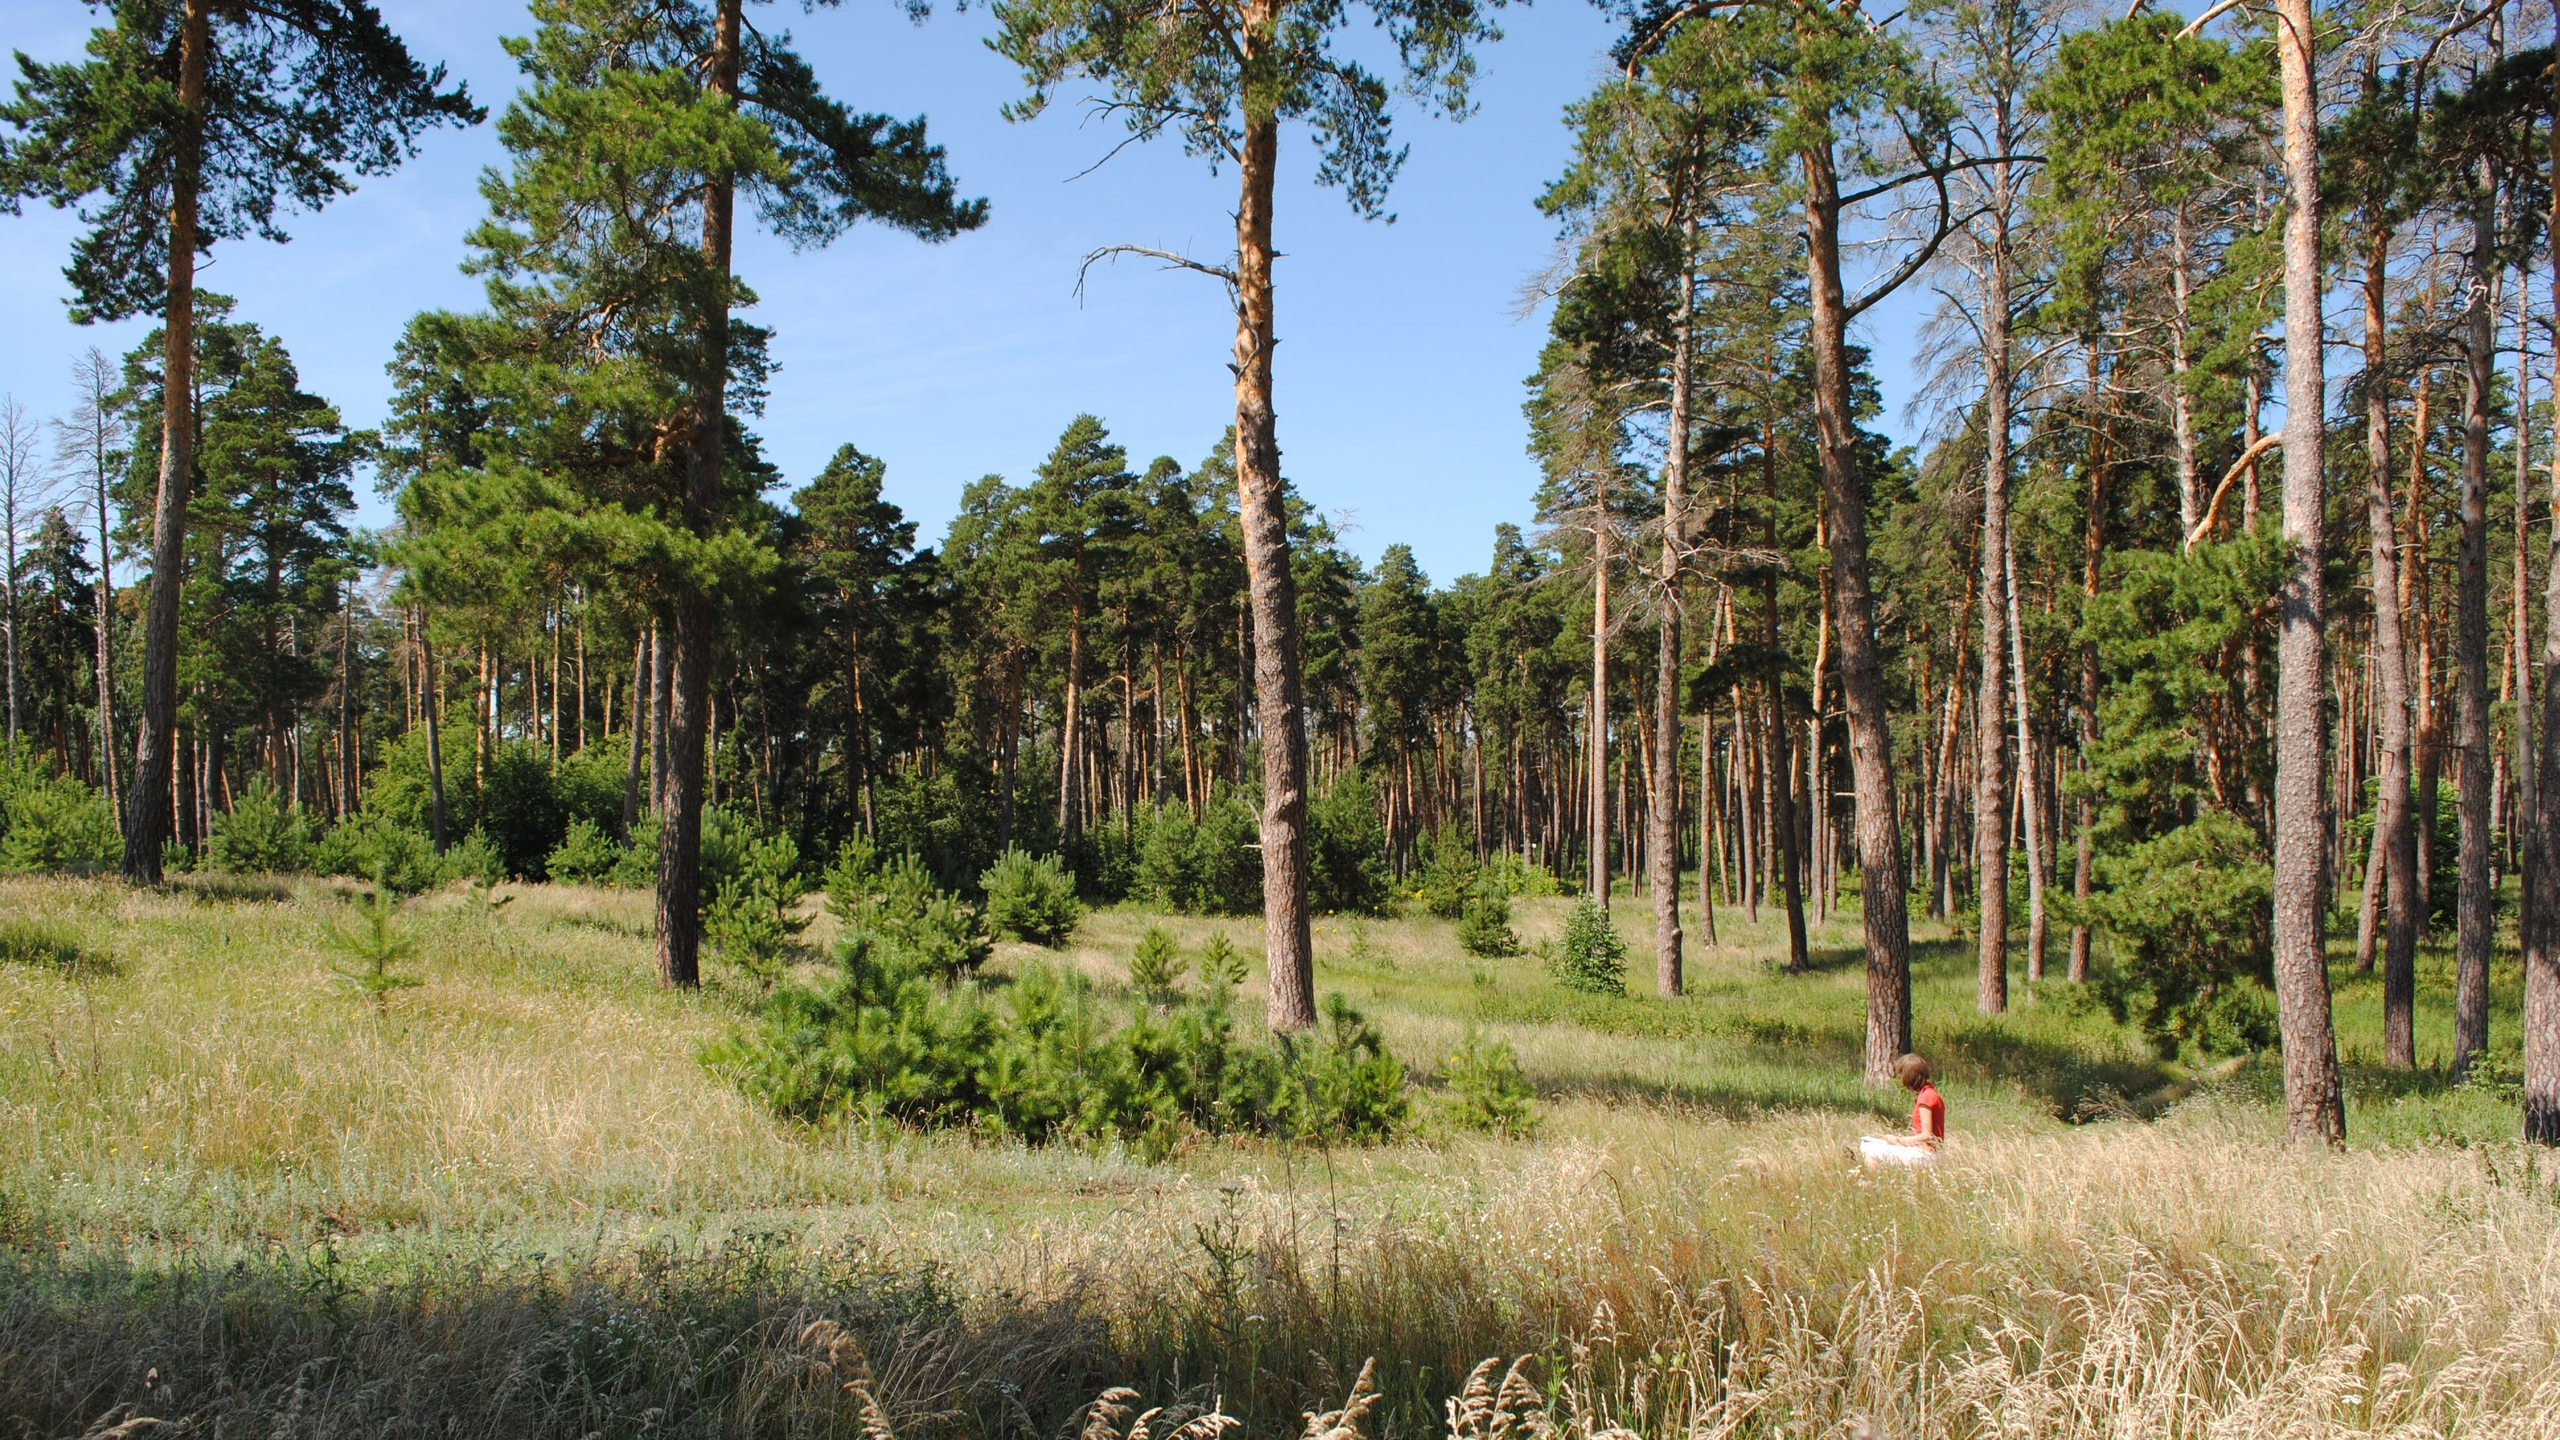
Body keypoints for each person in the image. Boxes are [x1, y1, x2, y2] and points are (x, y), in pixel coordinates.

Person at [1858, 1053, 1944, 1167]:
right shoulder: (1930, 1093)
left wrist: (1898, 1140)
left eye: (1901, 1074)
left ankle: (1872, 1181)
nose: (1900, 1078)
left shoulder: (1926, 1097)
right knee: (1871, 1143)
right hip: (1926, 1152)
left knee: (1868, 1148)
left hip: (1924, 1154)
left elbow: (1927, 1135)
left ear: (1909, 1076)